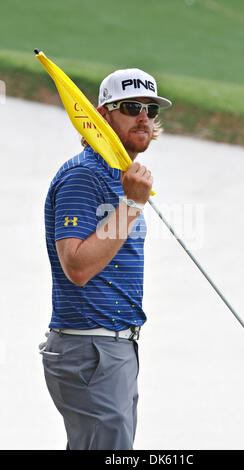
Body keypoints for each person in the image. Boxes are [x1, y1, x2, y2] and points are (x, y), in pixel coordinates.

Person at [40, 68, 172, 450]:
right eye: (131, 107)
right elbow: (77, 266)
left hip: (114, 348)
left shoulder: (120, 176)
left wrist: (130, 197)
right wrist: (131, 204)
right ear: (102, 115)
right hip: (90, 349)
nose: (143, 116)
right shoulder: (85, 176)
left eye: (150, 108)